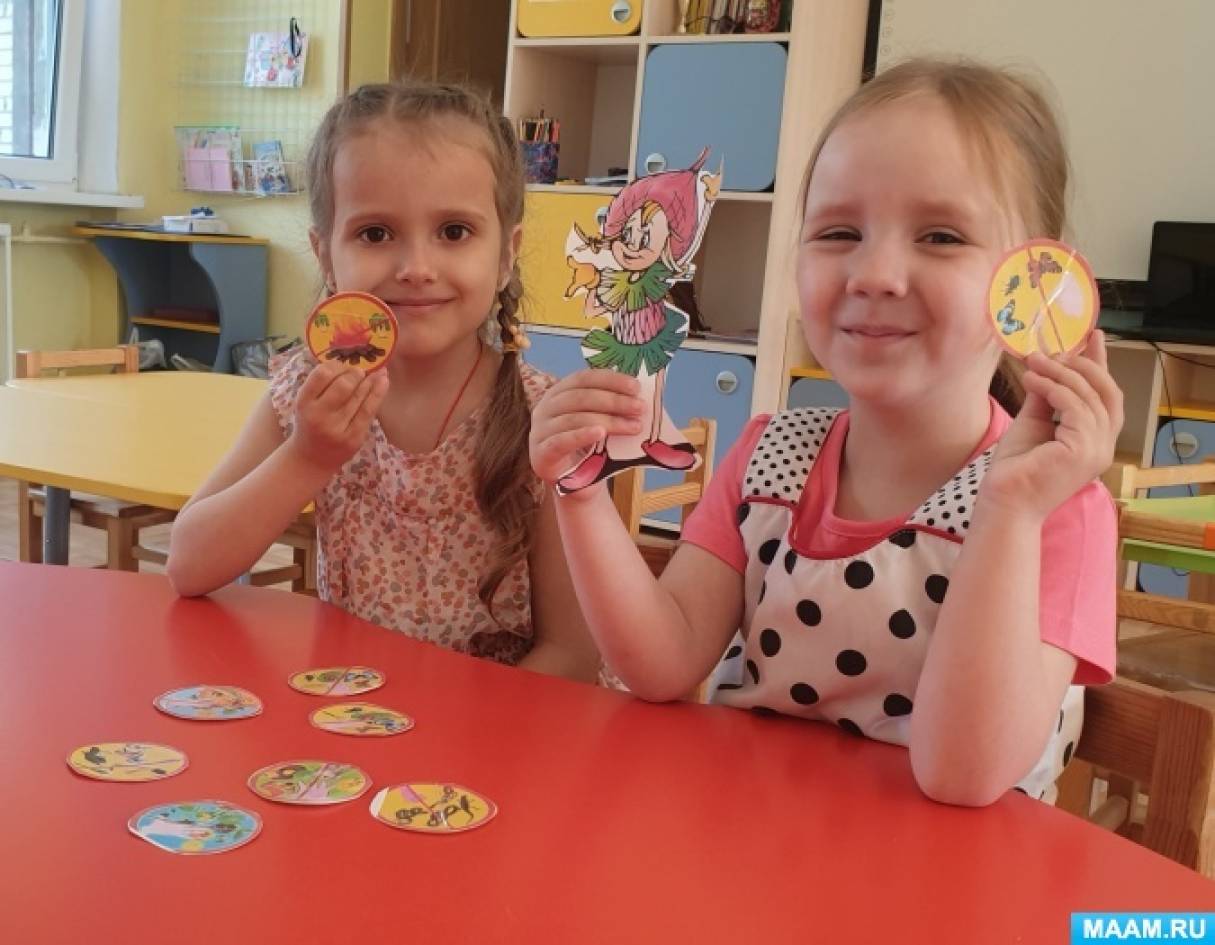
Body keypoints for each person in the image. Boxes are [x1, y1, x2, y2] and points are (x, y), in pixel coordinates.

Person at [529, 58, 1123, 803]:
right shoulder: (767, 457)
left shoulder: (1056, 506)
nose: (874, 273)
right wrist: (580, 495)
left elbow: (961, 777)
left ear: (1037, 280)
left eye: (940, 236)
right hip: (748, 844)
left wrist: (1008, 513)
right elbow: (662, 662)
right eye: (839, 231)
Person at [168, 80, 598, 682]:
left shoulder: (544, 422)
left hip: (498, 723)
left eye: (454, 231)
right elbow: (189, 564)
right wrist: (307, 457)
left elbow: (574, 653)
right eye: (375, 234)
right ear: (326, 256)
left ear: (506, 255)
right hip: (350, 717)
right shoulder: (305, 393)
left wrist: (462, 731)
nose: (416, 268)